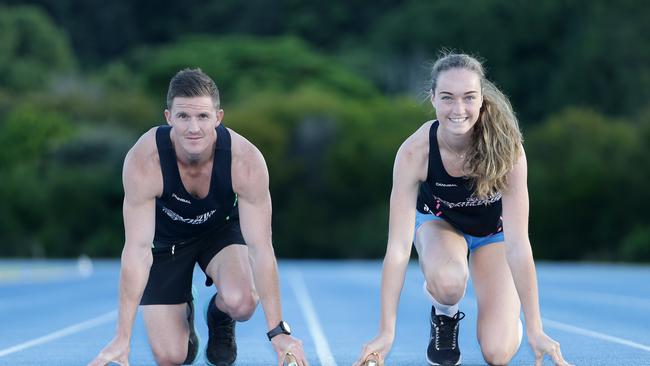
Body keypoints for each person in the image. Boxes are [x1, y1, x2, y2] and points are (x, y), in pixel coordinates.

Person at [354, 53, 572, 366]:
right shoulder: (415, 152)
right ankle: (445, 314)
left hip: (492, 235)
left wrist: (536, 328)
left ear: (482, 98)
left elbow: (518, 244)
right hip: (439, 225)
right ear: (432, 99)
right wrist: (386, 333)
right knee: (449, 280)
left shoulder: (508, 151)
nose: (458, 110)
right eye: (447, 98)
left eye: (469, 98)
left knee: (497, 353)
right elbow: (399, 250)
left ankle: (512, 325)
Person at [88, 68, 308, 366]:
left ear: (218, 117)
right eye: (183, 117)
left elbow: (260, 249)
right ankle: (185, 314)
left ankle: (219, 317)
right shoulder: (144, 160)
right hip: (166, 243)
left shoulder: (245, 161)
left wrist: (278, 332)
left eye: (203, 117)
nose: (194, 128)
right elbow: (137, 251)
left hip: (219, 233)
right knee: (171, 357)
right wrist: (122, 338)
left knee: (242, 302)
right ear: (168, 118)